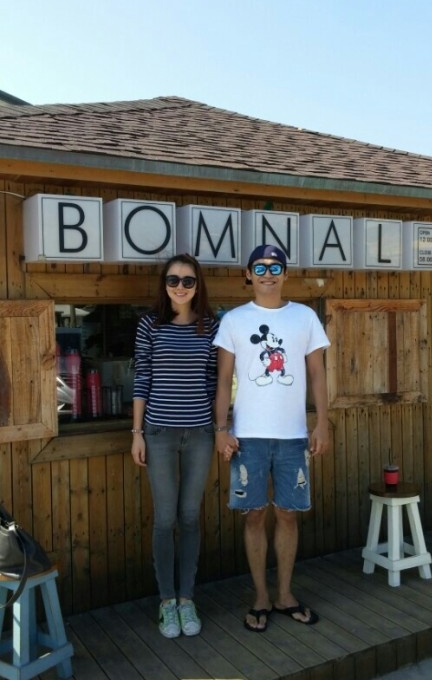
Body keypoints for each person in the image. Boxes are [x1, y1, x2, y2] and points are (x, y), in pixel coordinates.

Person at [214, 244, 329, 632]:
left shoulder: (305, 317)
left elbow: (317, 374)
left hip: (293, 436)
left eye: (275, 267)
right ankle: (261, 597)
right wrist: (220, 429)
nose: (268, 274)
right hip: (247, 438)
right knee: (254, 516)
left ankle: (285, 595)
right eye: (260, 268)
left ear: (285, 274)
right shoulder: (233, 320)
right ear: (248, 274)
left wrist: (323, 422)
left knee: (288, 515)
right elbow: (222, 381)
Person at [131, 253, 218, 639]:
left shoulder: (211, 326)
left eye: (187, 281)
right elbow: (142, 378)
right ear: (164, 284)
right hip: (160, 434)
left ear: (197, 286)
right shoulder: (149, 325)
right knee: (165, 519)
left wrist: (221, 428)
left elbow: (215, 381)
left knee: (190, 517)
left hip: (200, 434)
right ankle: (167, 601)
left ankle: (187, 598)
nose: (180, 287)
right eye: (173, 280)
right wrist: (137, 432)